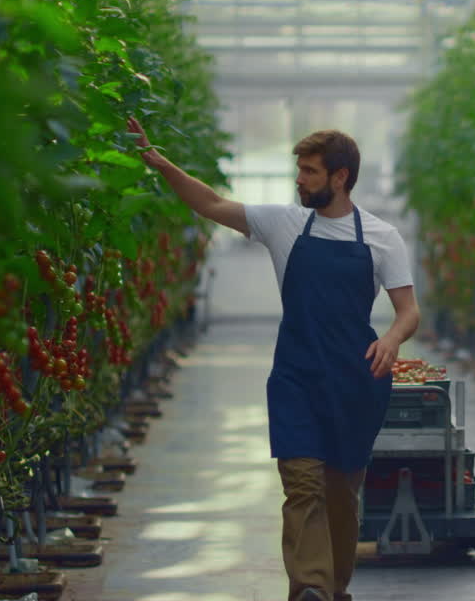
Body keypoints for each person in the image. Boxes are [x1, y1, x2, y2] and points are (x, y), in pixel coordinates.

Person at [128, 118, 420, 601]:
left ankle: (333, 588)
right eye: (299, 170)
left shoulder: (381, 236)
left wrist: (392, 338)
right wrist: (160, 164)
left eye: (309, 171)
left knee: (340, 496)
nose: (299, 180)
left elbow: (409, 311)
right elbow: (211, 203)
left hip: (354, 380)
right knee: (302, 485)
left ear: (340, 177)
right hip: (296, 376)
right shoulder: (285, 223)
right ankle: (310, 588)